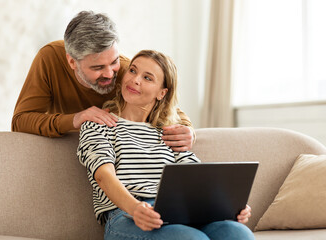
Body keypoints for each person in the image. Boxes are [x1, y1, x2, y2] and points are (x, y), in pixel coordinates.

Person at [77, 50, 254, 240]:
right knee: (191, 239)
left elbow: (198, 180)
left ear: (162, 93)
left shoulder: (169, 133)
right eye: (133, 71)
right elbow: (103, 176)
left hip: (180, 211)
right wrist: (135, 208)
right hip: (125, 215)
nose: (136, 80)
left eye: (147, 78)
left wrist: (229, 205)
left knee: (237, 233)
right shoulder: (98, 124)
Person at [12, 10, 193, 151]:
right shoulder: (49, 58)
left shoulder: (127, 72)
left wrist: (189, 132)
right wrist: (75, 119)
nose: (109, 73)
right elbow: (20, 121)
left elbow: (169, 107)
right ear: (72, 62)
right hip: (71, 150)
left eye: (113, 62)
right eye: (97, 68)